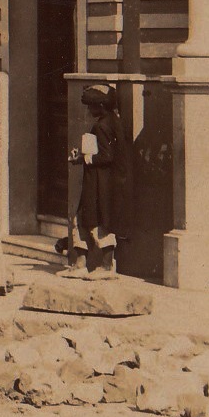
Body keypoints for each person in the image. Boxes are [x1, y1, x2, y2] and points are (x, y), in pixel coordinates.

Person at [66, 85, 124, 277]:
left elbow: (107, 156)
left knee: (95, 219)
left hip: (99, 182)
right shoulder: (114, 121)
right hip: (105, 180)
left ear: (100, 106)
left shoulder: (101, 126)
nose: (89, 110)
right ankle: (80, 264)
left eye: (91, 106)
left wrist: (82, 159)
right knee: (84, 217)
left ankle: (106, 266)